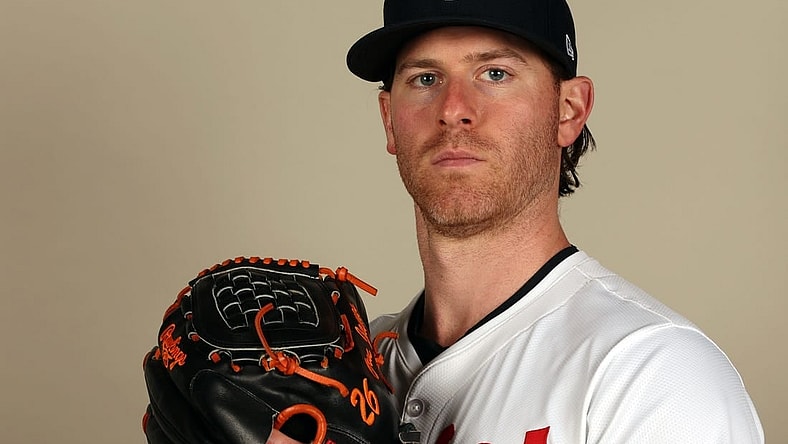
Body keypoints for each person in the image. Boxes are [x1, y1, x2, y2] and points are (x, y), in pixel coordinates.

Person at [271, 0, 764, 442]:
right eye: (425, 78)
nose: (453, 110)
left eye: (495, 74)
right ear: (389, 120)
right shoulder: (335, 369)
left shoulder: (652, 373)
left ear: (569, 110)